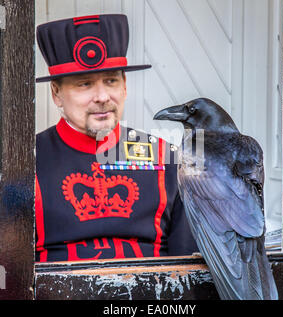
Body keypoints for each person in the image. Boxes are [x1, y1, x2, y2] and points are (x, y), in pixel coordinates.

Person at [35, 14, 198, 262]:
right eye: (84, 84)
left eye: (111, 80)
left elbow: (189, 266)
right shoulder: (25, 163)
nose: (102, 96)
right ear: (56, 93)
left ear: (124, 85)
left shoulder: (170, 159)